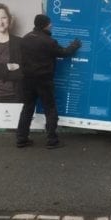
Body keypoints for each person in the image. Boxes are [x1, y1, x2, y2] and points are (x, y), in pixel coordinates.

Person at [16, 14, 81, 148]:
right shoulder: (48, 41)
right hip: (43, 80)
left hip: (27, 80)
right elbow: (64, 52)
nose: (51, 25)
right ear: (45, 24)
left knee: (27, 108)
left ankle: (21, 139)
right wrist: (75, 45)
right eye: (50, 23)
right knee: (50, 109)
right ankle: (52, 140)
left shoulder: (25, 39)